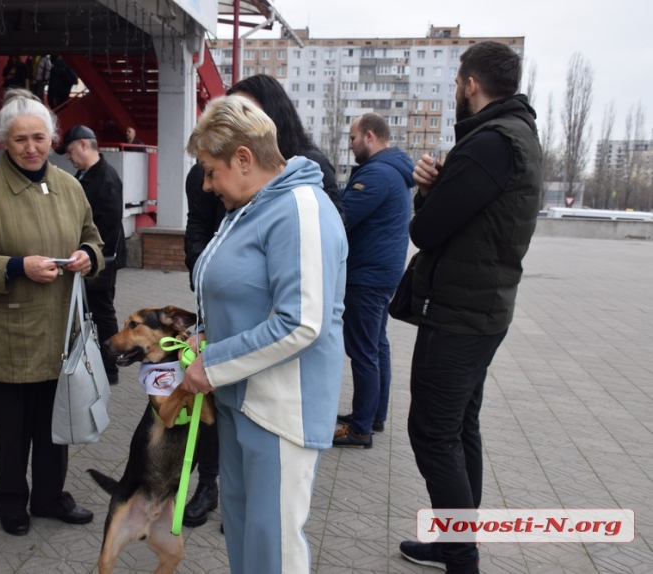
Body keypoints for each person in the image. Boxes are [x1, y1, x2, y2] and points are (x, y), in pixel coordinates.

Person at [180, 95, 347, 574]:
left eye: (211, 171)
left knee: (273, 547)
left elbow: (301, 322)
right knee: (248, 535)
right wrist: (208, 338)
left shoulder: (299, 208)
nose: (209, 186)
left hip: (280, 409)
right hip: (241, 399)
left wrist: (210, 363)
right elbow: (246, 294)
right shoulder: (254, 205)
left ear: (244, 159)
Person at [399, 41, 542, 573]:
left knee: (433, 433)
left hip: (460, 315)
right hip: (481, 310)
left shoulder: (489, 143)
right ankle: (456, 542)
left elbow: (426, 229)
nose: (457, 91)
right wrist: (439, 188)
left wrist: (425, 192)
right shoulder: (516, 134)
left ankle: (461, 559)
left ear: (471, 84)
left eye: (458, 83)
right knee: (459, 428)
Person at [0, 89, 105, 537]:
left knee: (56, 428)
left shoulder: (71, 186)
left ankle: (50, 497)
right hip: (12, 334)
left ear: (53, 139)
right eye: (20, 140)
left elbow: (95, 239)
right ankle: (11, 500)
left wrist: (89, 257)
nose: (31, 148)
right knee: (12, 436)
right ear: (3, 142)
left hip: (61, 333)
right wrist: (16, 266)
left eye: (39, 137)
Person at [333, 114, 414, 448]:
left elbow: (343, 215)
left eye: (352, 139)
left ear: (369, 136)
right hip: (382, 273)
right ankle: (372, 415)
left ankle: (360, 429)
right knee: (377, 346)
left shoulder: (378, 174)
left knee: (364, 351)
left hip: (367, 275)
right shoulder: (393, 170)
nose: (350, 146)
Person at [55, 125, 127, 385]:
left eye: (70, 151)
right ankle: (95, 362)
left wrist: (94, 258)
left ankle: (110, 368)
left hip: (99, 260)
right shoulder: (85, 176)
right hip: (88, 258)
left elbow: (107, 226)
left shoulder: (105, 178)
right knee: (89, 312)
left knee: (102, 313)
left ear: (84, 145)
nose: (69, 157)